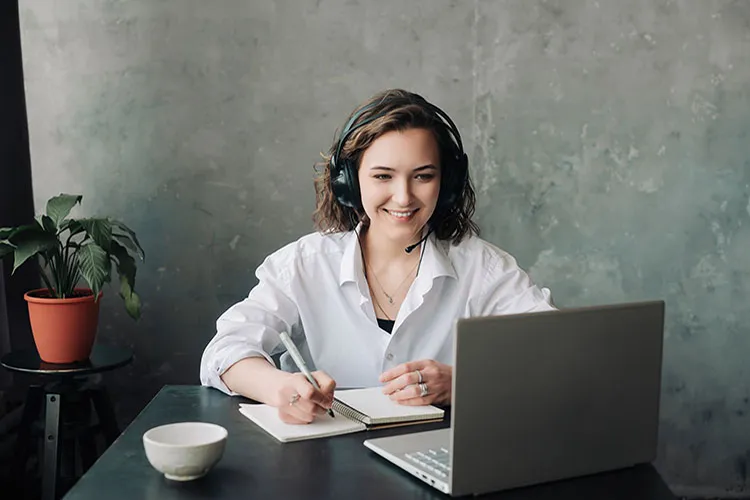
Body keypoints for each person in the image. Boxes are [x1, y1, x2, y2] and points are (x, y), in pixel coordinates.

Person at [200, 89, 555, 424]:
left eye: (423, 176)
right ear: (349, 183)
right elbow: (225, 351)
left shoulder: (482, 268)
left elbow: (560, 355)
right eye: (383, 176)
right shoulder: (304, 264)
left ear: (446, 185)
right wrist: (280, 389)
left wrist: (465, 381)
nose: (403, 198)